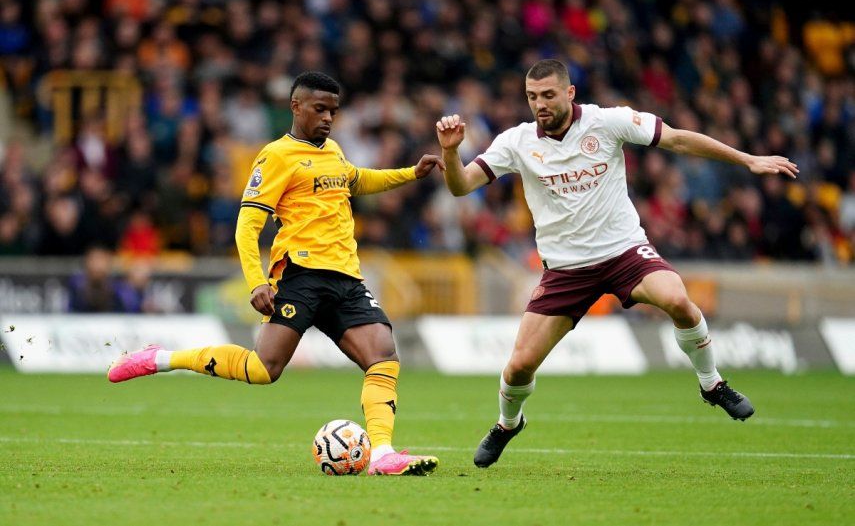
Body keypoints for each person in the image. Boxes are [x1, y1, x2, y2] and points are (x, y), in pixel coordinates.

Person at [435, 59, 798, 468]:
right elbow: (461, 186)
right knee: (518, 367)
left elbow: (677, 140)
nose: (541, 104)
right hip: (566, 270)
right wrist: (450, 154)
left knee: (678, 301)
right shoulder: (516, 142)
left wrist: (748, 159)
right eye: (533, 97)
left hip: (624, 253)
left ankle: (712, 384)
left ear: (570, 93)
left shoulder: (608, 122)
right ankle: (507, 424)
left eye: (549, 95)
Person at [109, 71, 443, 476]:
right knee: (263, 369)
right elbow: (246, 226)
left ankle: (384, 454)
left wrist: (411, 173)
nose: (327, 118)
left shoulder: (334, 151)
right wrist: (256, 281)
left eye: (333, 111)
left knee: (383, 356)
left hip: (346, 277)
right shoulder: (276, 156)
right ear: (295, 106)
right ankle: (161, 358)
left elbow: (357, 180)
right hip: (301, 274)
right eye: (320, 109)